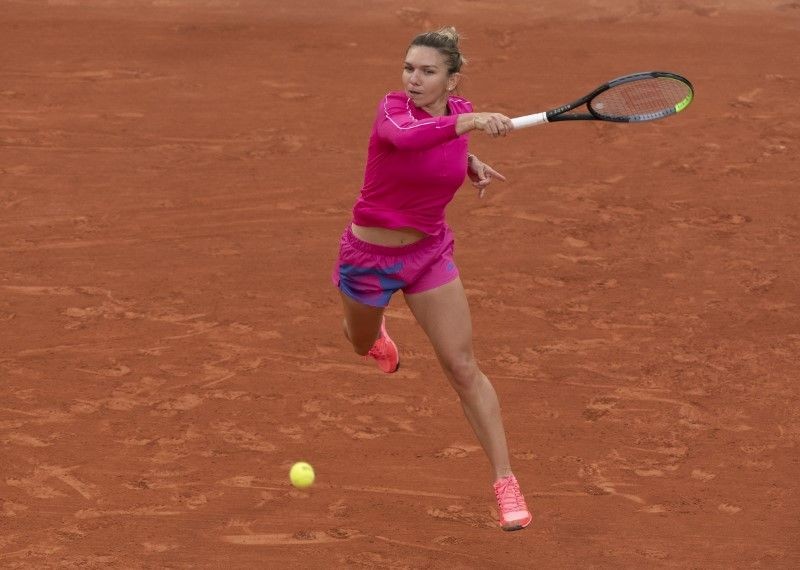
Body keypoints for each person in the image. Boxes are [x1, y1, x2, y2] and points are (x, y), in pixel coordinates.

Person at [331, 27, 531, 532]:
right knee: (357, 342)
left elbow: (440, 142)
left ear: (451, 79)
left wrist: (468, 160)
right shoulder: (393, 109)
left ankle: (506, 483)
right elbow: (406, 138)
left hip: (427, 255)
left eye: (427, 71)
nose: (413, 79)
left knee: (462, 366)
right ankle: (375, 335)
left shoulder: (455, 115)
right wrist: (469, 127)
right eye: (409, 68)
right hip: (368, 258)